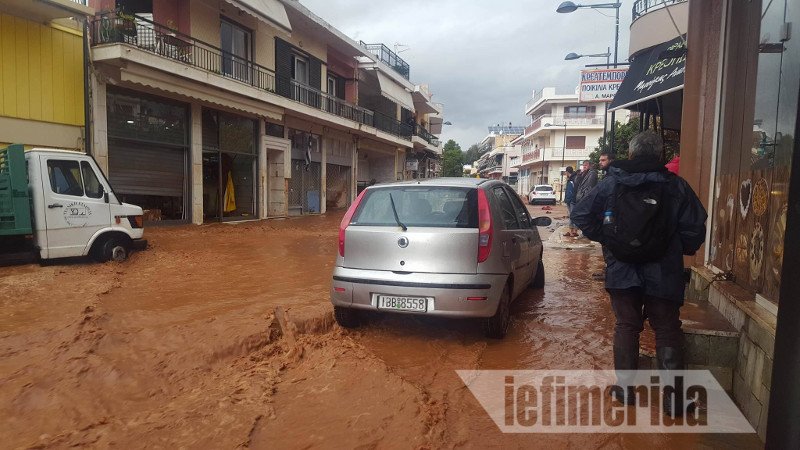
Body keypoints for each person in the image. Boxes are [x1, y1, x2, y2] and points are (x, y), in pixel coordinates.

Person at [571, 130, 707, 415]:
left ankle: (625, 390)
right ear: (660, 155)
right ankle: (673, 400)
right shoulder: (676, 186)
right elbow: (695, 226)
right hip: (664, 271)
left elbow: (581, 215)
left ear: (631, 154)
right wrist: (680, 248)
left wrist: (609, 240)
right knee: (667, 329)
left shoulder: (611, 184)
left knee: (626, 326)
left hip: (622, 270)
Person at [562, 166, 578, 237]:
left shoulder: (574, 179)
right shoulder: (570, 179)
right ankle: (572, 231)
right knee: (571, 216)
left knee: (572, 216)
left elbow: (574, 190)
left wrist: (571, 199)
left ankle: (573, 231)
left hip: (572, 200)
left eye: (565, 172)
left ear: (567, 172)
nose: (565, 173)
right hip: (569, 200)